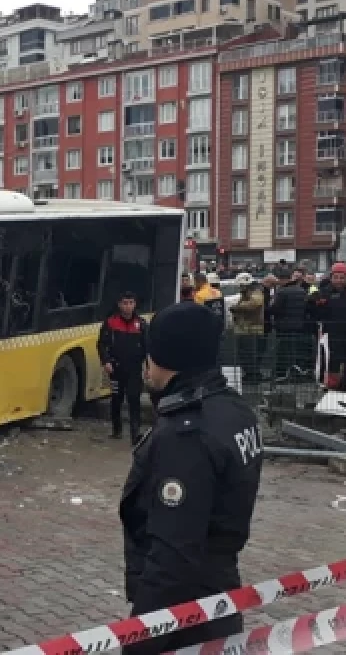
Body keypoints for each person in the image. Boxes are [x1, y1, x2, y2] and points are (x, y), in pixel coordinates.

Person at [119, 302, 264, 655]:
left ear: (166, 356)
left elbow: (174, 555)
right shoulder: (233, 409)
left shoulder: (186, 435)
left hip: (185, 617)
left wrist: (141, 639)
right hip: (219, 597)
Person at [98, 292, 148, 443]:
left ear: (135, 304)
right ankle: (117, 430)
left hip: (134, 369)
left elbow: (148, 347)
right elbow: (101, 344)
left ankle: (135, 433)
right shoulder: (111, 322)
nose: (128, 306)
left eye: (131, 303)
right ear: (119, 305)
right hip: (116, 368)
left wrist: (148, 367)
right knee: (116, 399)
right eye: (125, 303)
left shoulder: (141, 324)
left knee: (134, 399)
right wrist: (106, 361)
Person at [309, 263, 346, 392]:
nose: (339, 280)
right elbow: (314, 313)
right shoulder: (323, 293)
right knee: (331, 361)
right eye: (336, 277)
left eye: (342, 278)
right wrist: (314, 303)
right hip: (330, 333)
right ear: (331, 278)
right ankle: (330, 386)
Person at [230, 273, 265, 382]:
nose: (240, 287)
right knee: (246, 353)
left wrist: (237, 307)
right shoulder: (247, 293)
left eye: (241, 285)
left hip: (250, 329)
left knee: (249, 353)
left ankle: (252, 375)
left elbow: (255, 303)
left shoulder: (255, 292)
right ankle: (251, 373)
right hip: (245, 328)